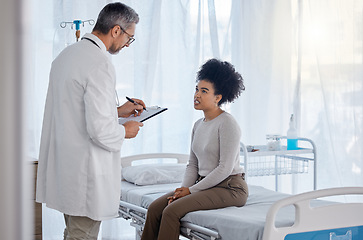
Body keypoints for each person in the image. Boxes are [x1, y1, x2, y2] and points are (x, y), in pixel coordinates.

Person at [36, 2, 144, 240]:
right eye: (129, 37)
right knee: (81, 236)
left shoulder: (67, 56)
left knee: (74, 233)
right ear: (116, 30)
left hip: (66, 169)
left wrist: (118, 111)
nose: (128, 44)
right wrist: (127, 130)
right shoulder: (99, 62)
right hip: (86, 174)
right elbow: (100, 131)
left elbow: (74, 112)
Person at [141, 59, 249, 240]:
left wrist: (191, 191)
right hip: (205, 185)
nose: (196, 95)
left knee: (171, 211)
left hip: (230, 188)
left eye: (204, 91)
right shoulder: (198, 125)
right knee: (155, 208)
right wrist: (183, 189)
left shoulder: (228, 123)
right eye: (196, 89)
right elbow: (192, 164)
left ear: (218, 97)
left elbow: (225, 168)